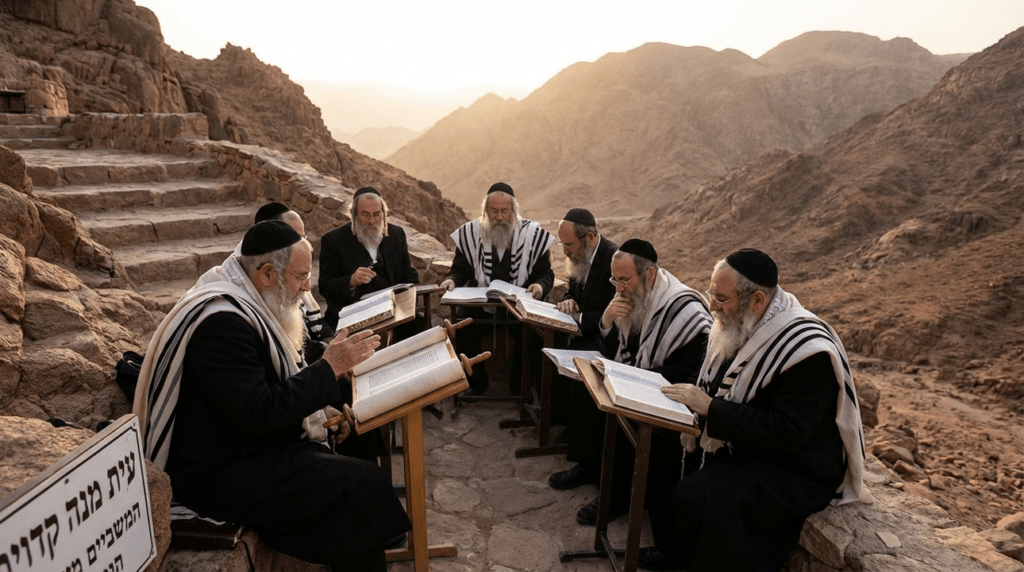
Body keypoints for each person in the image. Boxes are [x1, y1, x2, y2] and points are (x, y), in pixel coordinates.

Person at [134, 221, 411, 572]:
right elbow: (257, 414)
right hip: (219, 470)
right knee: (358, 485)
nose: (306, 287)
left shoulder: (249, 298)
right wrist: (328, 368)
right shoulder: (222, 323)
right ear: (267, 273)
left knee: (356, 471)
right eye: (299, 276)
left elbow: (269, 390)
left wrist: (321, 409)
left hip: (245, 444)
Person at [639, 248, 869, 572]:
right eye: (711, 294)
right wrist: (679, 397)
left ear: (757, 300)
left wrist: (708, 407)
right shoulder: (744, 322)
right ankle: (674, 551)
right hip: (751, 441)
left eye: (721, 298)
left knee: (701, 495)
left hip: (793, 466)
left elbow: (785, 431)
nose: (711, 306)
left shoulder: (807, 352)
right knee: (662, 447)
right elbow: (710, 375)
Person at [558, 239, 712, 527]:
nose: (618, 288)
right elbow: (615, 349)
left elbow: (690, 370)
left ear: (649, 276)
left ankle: (619, 498)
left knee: (627, 421)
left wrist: (638, 378)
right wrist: (606, 321)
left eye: (624, 280)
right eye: (614, 280)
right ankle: (592, 471)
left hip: (670, 396)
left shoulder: (684, 310)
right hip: (637, 383)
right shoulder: (634, 298)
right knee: (587, 391)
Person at [439, 182, 555, 394]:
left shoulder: (532, 235)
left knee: (533, 333)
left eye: (505, 211)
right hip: (480, 305)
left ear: (513, 211)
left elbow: (545, 273)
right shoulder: (470, 234)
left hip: (517, 306)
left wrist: (539, 285)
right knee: (462, 328)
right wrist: (452, 280)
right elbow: (459, 269)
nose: (500, 217)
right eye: (494, 211)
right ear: (486, 211)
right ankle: (477, 385)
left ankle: (520, 389)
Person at [318, 186, 420, 332]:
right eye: (365, 215)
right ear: (353, 215)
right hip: (354, 318)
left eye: (377, 214)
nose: (372, 221)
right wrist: (351, 281)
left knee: (420, 328)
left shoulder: (396, 235)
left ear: (383, 215)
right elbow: (325, 286)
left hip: (394, 314)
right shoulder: (333, 240)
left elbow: (409, 273)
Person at [249, 201, 334, 353]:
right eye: (294, 237)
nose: (301, 243)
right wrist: (328, 350)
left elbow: (316, 322)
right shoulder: (266, 281)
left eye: (303, 237)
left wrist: (332, 341)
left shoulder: (292, 268)